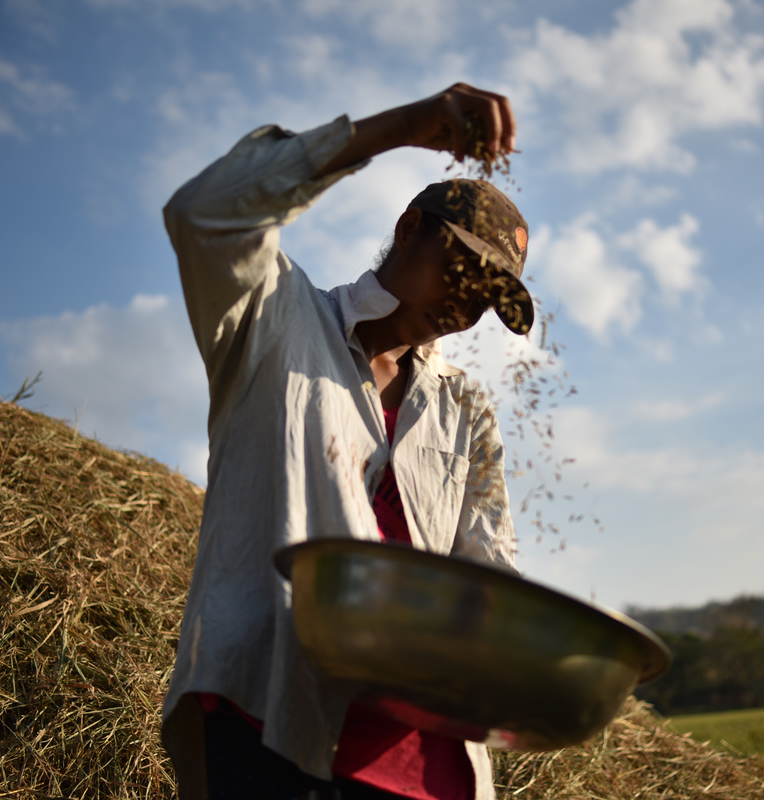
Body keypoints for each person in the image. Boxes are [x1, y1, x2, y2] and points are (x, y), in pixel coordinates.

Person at [160, 83, 532, 800]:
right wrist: (397, 127)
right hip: (272, 725)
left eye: (490, 294)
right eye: (463, 266)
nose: (468, 302)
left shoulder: (465, 408)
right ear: (409, 227)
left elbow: (489, 575)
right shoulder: (278, 322)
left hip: (422, 765)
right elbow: (203, 212)